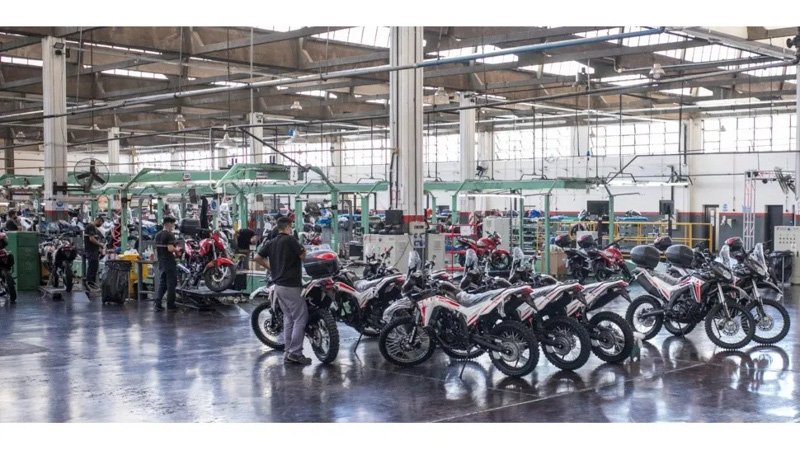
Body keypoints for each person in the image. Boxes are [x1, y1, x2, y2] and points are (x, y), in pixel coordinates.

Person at [253, 217, 309, 365]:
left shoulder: (271, 242)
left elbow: (257, 257)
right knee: (300, 318)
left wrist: (272, 268)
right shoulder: (290, 240)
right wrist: (305, 251)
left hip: (278, 286)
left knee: (289, 318)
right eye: (291, 226)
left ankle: (288, 352)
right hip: (291, 285)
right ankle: (295, 353)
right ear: (288, 227)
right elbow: (303, 256)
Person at [153, 216, 179, 312]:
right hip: (169, 262)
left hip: (161, 261)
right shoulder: (169, 235)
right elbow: (170, 248)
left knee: (163, 283)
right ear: (169, 224)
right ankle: (170, 304)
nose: (173, 226)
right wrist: (177, 250)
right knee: (172, 283)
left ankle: (158, 303)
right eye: (173, 224)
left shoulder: (157, 235)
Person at [83, 215, 105, 289]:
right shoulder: (91, 226)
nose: (100, 225)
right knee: (92, 266)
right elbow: (91, 239)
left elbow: (101, 237)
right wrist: (100, 244)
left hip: (94, 250)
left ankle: (92, 282)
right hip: (91, 250)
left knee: (94, 266)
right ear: (98, 220)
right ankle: (89, 282)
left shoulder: (95, 229)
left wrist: (101, 245)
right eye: (101, 223)